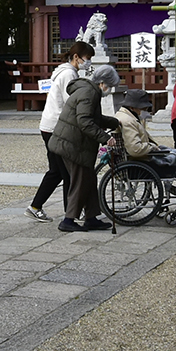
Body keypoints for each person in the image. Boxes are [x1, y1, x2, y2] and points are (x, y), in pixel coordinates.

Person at [115, 88, 176, 214]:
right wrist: (152, 148)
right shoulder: (128, 121)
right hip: (144, 158)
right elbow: (135, 149)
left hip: (143, 155)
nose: (143, 110)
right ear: (133, 106)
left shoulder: (124, 116)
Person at [50, 62, 121, 232]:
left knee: (88, 179)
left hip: (72, 142)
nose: (109, 90)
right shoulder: (89, 93)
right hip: (72, 144)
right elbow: (85, 122)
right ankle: (68, 220)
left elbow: (92, 117)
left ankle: (91, 217)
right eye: (109, 86)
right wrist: (105, 138)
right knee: (80, 181)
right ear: (102, 83)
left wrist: (115, 121)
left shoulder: (88, 90)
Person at [28, 41, 93, 222]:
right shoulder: (68, 74)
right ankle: (70, 212)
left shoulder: (63, 71)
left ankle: (37, 206)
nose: (88, 62)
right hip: (56, 127)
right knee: (66, 172)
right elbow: (71, 104)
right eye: (87, 58)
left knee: (58, 171)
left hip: (50, 126)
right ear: (76, 57)